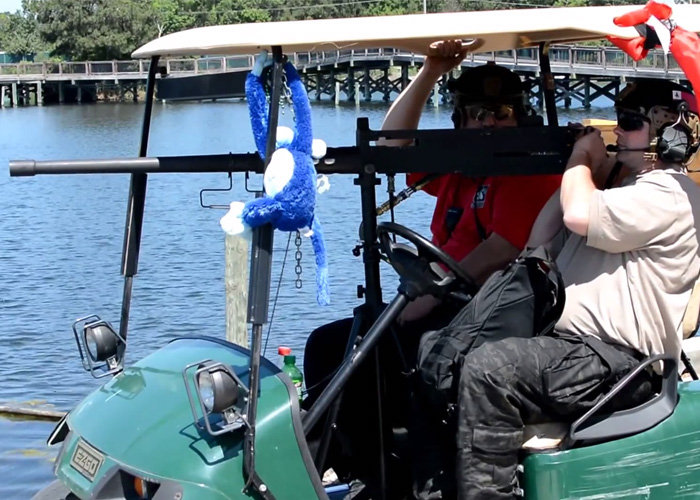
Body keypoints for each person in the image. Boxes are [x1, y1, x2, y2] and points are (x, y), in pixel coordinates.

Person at [301, 41, 560, 494]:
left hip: (492, 310)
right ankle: (366, 470)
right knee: (329, 344)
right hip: (445, 298)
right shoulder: (461, 166)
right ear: (460, 119)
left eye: (502, 113)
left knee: (414, 354)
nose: (490, 123)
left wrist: (431, 292)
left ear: (520, 117)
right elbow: (393, 145)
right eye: (478, 114)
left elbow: (501, 249)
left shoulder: (529, 170)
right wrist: (431, 71)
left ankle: (422, 483)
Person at [437, 78, 700, 500]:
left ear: (669, 131)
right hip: (577, 353)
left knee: (491, 369)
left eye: (630, 123)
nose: (618, 131)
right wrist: (588, 171)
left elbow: (577, 214)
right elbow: (539, 239)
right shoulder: (617, 194)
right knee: (442, 354)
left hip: (619, 360)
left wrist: (580, 159)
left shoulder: (670, 194)